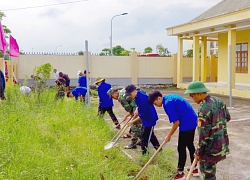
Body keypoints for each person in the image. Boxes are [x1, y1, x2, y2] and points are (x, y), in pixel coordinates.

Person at [184, 81, 230, 180]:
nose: (192, 98)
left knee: (208, 175)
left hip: (209, 150)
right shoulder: (219, 101)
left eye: (192, 96)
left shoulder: (204, 109)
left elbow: (203, 135)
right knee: (211, 173)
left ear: (199, 93)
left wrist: (198, 152)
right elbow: (227, 117)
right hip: (221, 145)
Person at [148, 91, 198, 179]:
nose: (156, 106)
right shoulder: (170, 97)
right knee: (190, 144)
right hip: (193, 119)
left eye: (155, 103)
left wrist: (169, 135)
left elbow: (176, 122)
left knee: (181, 147)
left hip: (186, 123)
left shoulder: (167, 104)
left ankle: (180, 172)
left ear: (159, 98)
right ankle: (195, 169)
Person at [125, 84, 160, 155]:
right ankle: (159, 149)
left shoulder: (142, 98)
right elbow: (139, 106)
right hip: (146, 119)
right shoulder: (137, 96)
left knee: (145, 139)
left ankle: (145, 155)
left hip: (150, 119)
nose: (129, 95)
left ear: (134, 91)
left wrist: (132, 121)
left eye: (130, 94)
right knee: (151, 135)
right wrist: (137, 110)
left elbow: (143, 115)